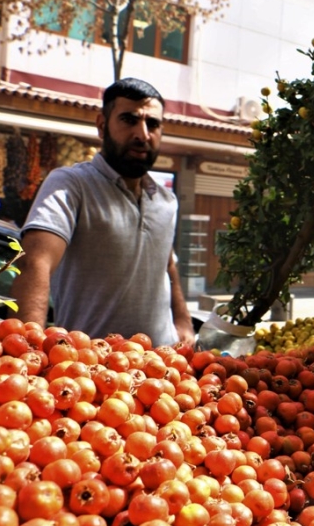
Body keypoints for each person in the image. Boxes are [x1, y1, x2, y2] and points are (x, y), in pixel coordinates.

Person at [11, 77, 194, 347]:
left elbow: (166, 264)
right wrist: (29, 352)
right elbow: (35, 261)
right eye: (129, 120)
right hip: (92, 373)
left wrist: (183, 321)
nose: (142, 134)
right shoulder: (72, 184)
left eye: (152, 124)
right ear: (101, 125)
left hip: (164, 371)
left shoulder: (166, 201)